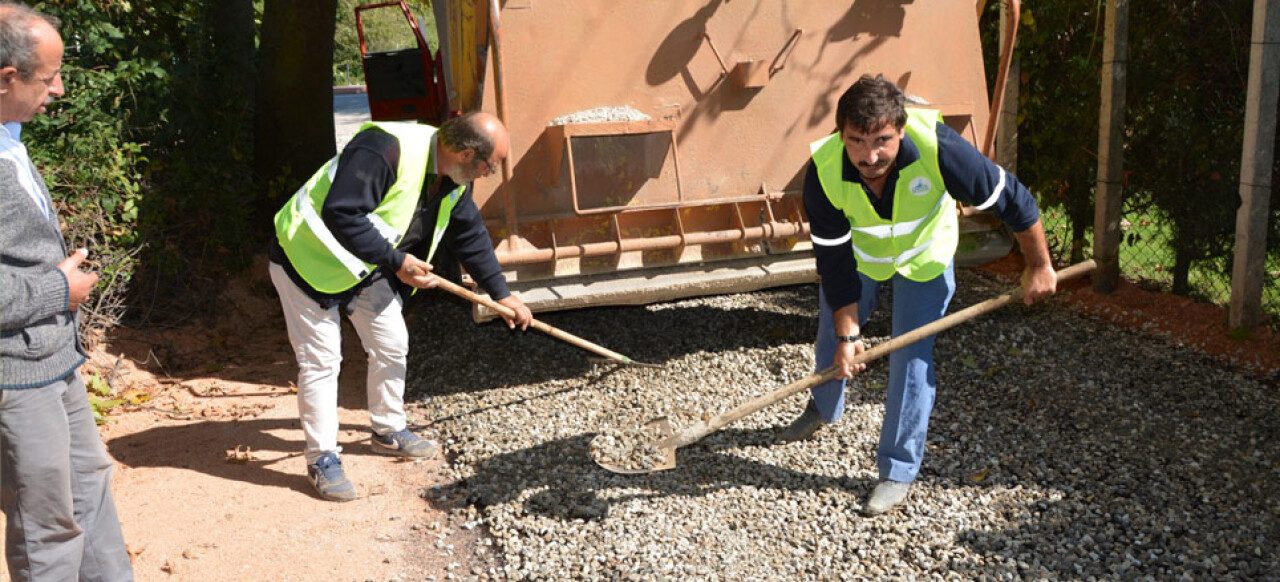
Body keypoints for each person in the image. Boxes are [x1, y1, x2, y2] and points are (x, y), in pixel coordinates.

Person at [779, 74, 1057, 516]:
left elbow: (1016, 203)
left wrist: (1039, 265)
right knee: (834, 335)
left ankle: (897, 471)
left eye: (882, 141)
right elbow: (833, 266)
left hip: (924, 259)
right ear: (840, 134)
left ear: (902, 129)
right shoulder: (824, 172)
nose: (870, 157)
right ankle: (823, 406)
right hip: (862, 259)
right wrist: (849, 337)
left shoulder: (942, 151)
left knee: (911, 357)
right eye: (856, 141)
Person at [269, 111, 533, 502]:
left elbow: (468, 232)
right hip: (306, 259)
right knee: (322, 361)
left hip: (366, 265)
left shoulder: (453, 179)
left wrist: (500, 293)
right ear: (464, 153)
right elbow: (340, 212)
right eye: (489, 167)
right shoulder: (385, 149)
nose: (488, 174)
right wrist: (398, 262)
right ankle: (321, 458)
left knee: (392, 343)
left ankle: (387, 431)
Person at [0, 3, 135, 580]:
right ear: (6, 79)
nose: (59, 89)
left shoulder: (9, 132)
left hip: (52, 360)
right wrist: (58, 288)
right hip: (13, 374)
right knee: (47, 526)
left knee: (91, 491)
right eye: (49, 76)